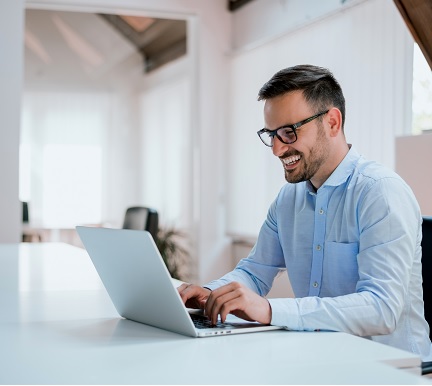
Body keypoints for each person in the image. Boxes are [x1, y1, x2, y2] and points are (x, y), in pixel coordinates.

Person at [178, 64, 431, 359]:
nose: (276, 149)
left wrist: (270, 309)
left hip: (392, 370)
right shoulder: (289, 199)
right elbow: (255, 272)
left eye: (289, 132)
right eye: (271, 134)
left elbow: (382, 309)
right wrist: (211, 294)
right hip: (321, 359)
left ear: (332, 123)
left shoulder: (381, 193)